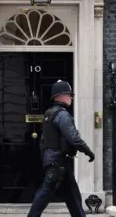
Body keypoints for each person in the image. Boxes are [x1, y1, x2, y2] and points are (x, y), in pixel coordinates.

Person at [27, 80, 95, 217]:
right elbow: (74, 138)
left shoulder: (48, 114)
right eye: (68, 94)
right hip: (57, 161)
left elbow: (43, 141)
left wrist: (46, 157)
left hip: (57, 160)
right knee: (45, 193)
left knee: (72, 195)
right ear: (59, 96)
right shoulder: (62, 115)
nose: (71, 97)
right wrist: (88, 151)